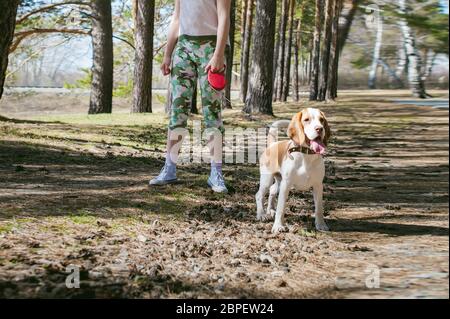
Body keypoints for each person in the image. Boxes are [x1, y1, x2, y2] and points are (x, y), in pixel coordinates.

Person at [149, 0, 231, 193]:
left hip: (211, 48)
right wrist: (167, 54)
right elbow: (176, 19)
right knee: (177, 111)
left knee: (212, 112)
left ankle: (215, 173)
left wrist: (218, 54)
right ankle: (169, 169)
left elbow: (224, 16)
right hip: (184, 48)